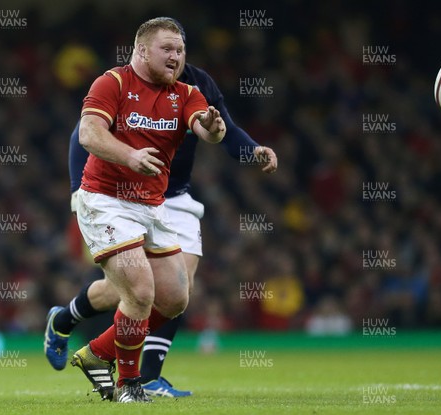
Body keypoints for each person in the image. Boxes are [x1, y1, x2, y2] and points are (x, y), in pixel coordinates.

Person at [44, 17, 278, 401]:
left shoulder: (189, 90)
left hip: (162, 201)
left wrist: (215, 128)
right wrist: (128, 157)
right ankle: (133, 383)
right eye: (167, 49)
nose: (176, 57)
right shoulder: (113, 82)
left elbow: (211, 130)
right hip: (107, 200)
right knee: (139, 289)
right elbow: (85, 134)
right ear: (140, 50)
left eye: (180, 50)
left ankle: (95, 352)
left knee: (173, 297)